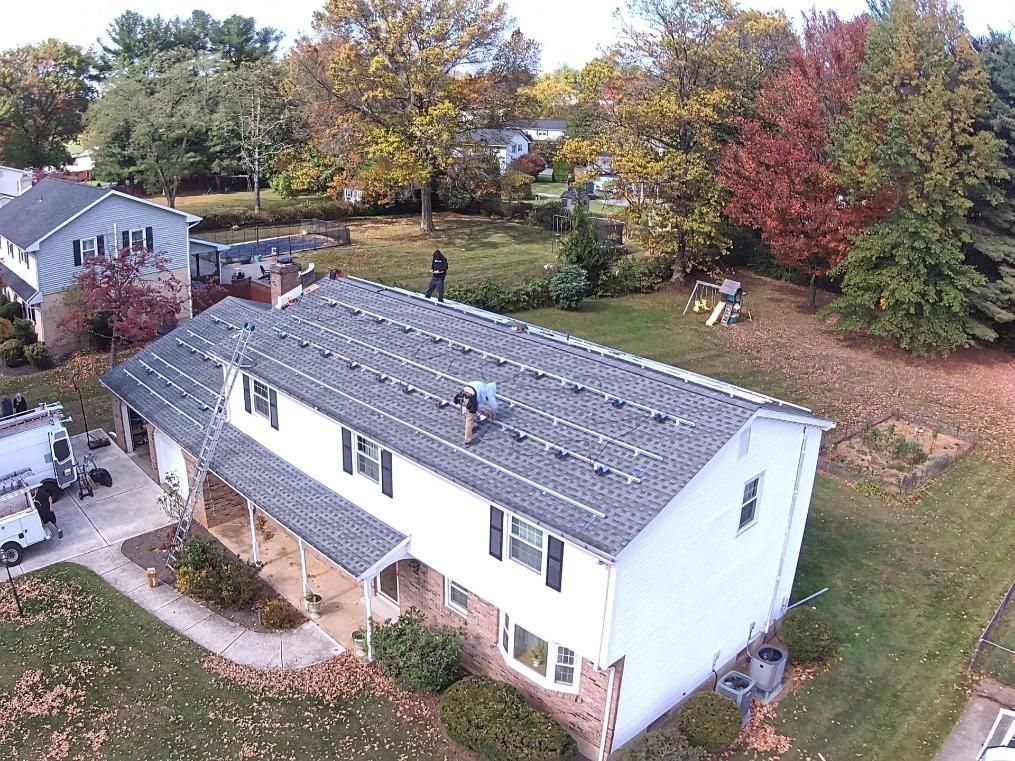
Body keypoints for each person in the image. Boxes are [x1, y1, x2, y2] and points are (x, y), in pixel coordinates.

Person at [452, 381, 497, 446]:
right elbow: (494, 405)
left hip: (463, 395)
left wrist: (484, 411)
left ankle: (470, 428)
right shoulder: (489, 392)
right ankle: (467, 440)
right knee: (469, 419)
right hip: (470, 398)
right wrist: (494, 412)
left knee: (468, 413)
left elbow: (477, 405)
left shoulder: (480, 384)